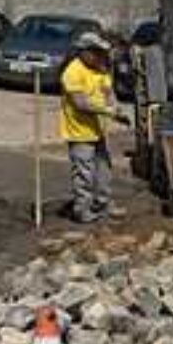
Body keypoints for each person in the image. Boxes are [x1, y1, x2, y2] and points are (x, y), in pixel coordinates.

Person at [60, 32, 129, 223]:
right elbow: (81, 104)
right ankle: (82, 210)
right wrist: (108, 111)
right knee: (84, 172)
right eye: (96, 52)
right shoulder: (72, 73)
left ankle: (103, 204)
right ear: (84, 52)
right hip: (79, 132)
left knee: (104, 169)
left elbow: (108, 93)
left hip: (98, 130)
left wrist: (116, 109)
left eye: (101, 53)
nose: (100, 56)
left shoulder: (100, 69)